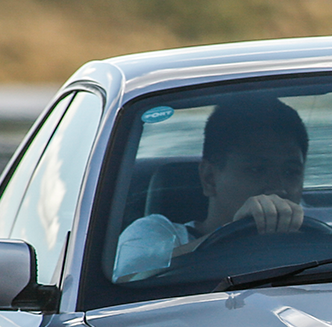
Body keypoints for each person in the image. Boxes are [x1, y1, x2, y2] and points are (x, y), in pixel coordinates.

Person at [114, 97, 308, 280]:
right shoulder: (155, 232)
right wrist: (233, 234)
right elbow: (125, 281)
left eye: (291, 172)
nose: (279, 188)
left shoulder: (317, 235)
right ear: (209, 179)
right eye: (257, 169)